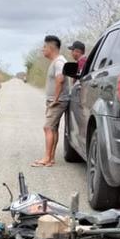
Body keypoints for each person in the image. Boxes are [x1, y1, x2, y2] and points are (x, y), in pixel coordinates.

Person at [32, 35, 68, 167]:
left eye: (44, 47)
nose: (43, 49)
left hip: (57, 101)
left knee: (47, 127)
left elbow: (60, 79)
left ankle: (46, 158)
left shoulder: (59, 62)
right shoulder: (57, 61)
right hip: (56, 100)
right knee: (53, 129)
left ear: (51, 48)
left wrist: (55, 99)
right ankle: (51, 158)